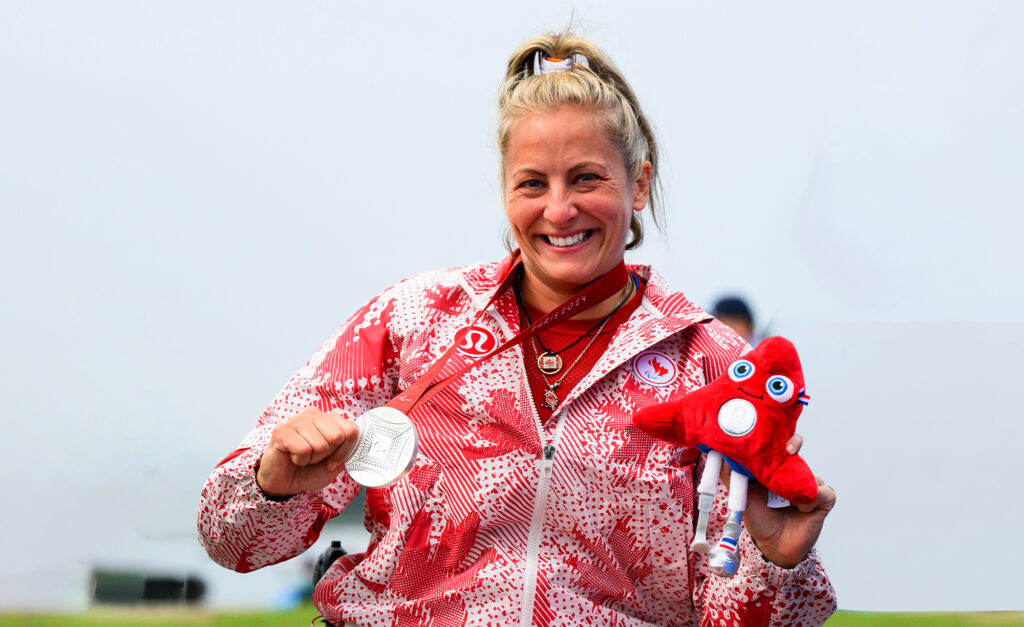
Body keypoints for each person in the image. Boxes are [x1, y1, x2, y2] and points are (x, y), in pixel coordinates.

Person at [198, 31, 837, 627]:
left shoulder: (714, 363)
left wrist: (776, 563)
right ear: (506, 192)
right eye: (533, 183)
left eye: (587, 178)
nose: (560, 210)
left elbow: (748, 615)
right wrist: (271, 487)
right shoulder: (411, 320)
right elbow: (232, 542)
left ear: (638, 183)